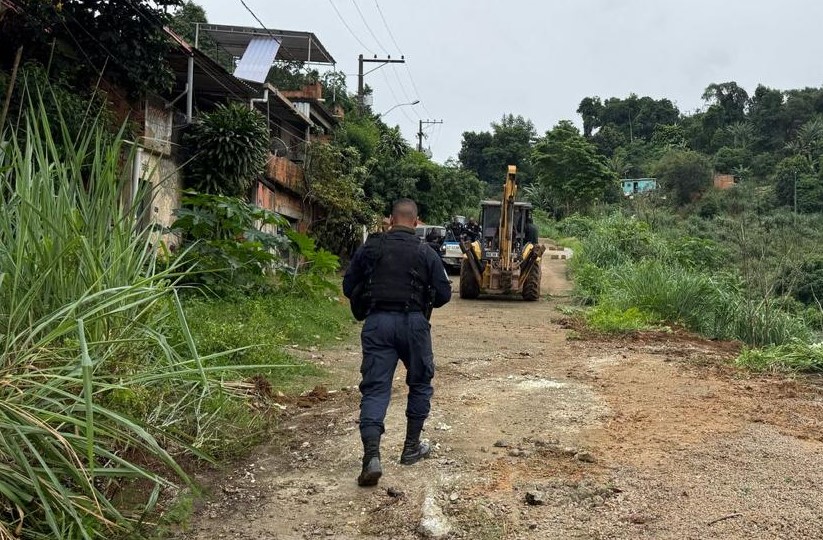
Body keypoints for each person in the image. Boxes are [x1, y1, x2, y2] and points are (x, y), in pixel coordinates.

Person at [343, 199, 452, 487]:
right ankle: (411, 448)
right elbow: (443, 295)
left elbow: (347, 287)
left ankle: (371, 458)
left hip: (378, 323)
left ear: (391, 220)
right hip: (414, 324)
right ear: (416, 223)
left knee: (376, 389)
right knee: (419, 383)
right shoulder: (425, 252)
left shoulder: (371, 247)